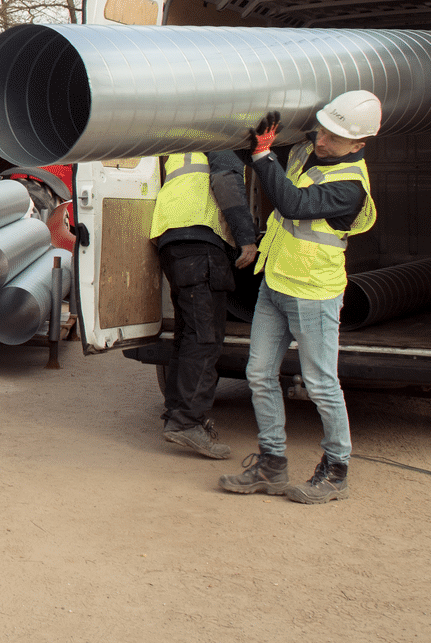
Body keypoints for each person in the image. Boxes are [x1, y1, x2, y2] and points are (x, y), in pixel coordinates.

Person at [219, 90, 381, 505]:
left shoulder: (350, 187)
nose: (320, 141)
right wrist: (255, 139)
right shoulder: (309, 149)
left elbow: (292, 204)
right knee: (258, 374)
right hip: (276, 282)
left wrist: (262, 156)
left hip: (313, 292)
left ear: (358, 145)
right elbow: (261, 148)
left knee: (321, 384)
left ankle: (336, 471)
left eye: (333, 138)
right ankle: (272, 464)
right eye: (321, 130)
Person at [149, 150, 258, 459]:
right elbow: (225, 182)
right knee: (204, 337)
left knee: (188, 335)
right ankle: (185, 423)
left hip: (173, 240)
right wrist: (246, 237)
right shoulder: (223, 140)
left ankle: (177, 415)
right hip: (200, 241)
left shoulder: (186, 144)